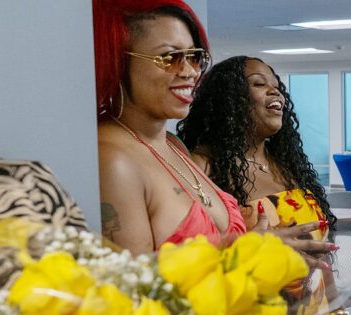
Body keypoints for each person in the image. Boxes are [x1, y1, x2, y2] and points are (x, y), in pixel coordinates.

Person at [177, 56, 350, 315]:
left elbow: (317, 253)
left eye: (276, 85)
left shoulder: (287, 165)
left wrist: (338, 314)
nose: (275, 92)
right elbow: (199, 257)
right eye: (259, 84)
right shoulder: (205, 167)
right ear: (229, 101)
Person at [94, 0, 248, 253]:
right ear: (119, 63)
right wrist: (245, 255)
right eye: (170, 58)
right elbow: (133, 285)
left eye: (195, 57)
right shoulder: (112, 158)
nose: (190, 72)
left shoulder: (173, 144)